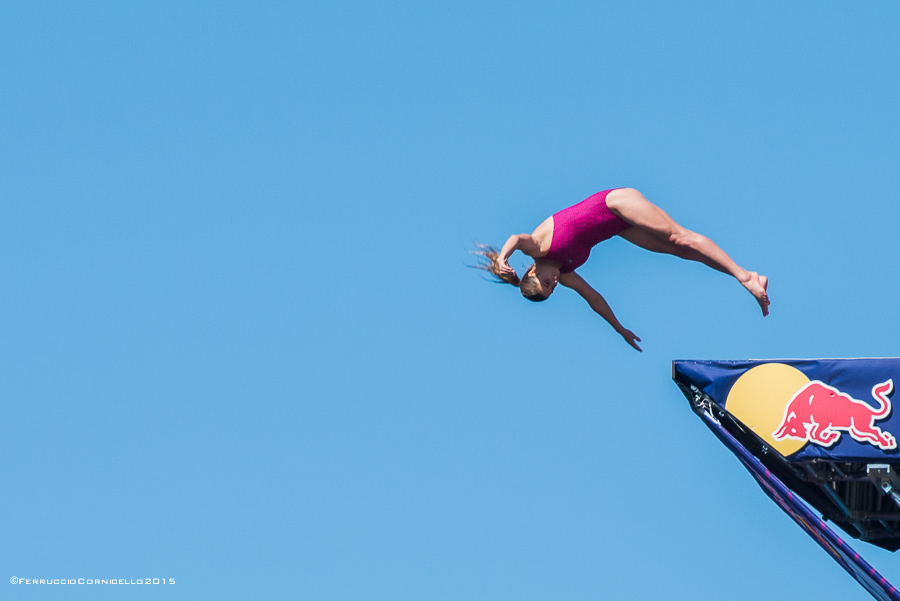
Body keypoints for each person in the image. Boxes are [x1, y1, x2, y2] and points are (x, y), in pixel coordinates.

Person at [474, 187, 769, 351]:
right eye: (552, 288)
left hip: (614, 203)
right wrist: (619, 329)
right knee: (681, 252)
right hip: (620, 227)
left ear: (532, 272)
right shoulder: (565, 273)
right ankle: (746, 276)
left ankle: (746, 278)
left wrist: (502, 259)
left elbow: (516, 237)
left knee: (680, 237)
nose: (553, 283)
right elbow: (594, 299)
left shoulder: (537, 248)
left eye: (546, 282)